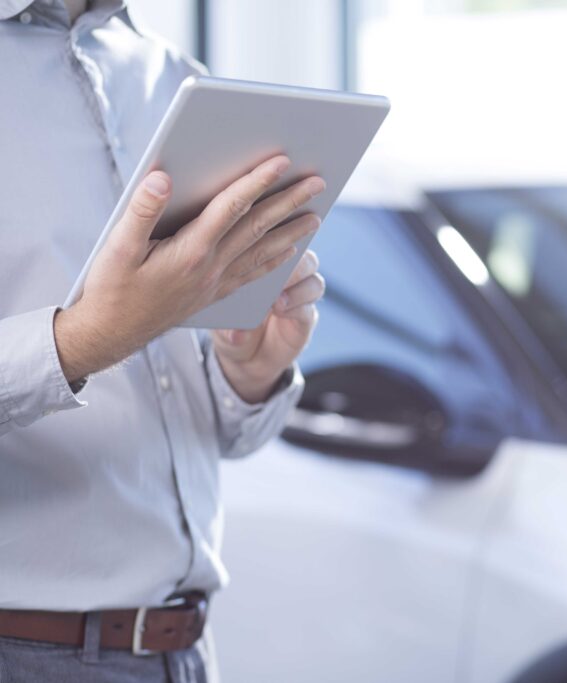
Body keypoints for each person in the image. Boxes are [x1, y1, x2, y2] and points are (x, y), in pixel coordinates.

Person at [0, 0, 328, 680]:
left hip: (184, 650)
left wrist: (248, 372)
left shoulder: (177, 78)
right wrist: (88, 338)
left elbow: (214, 432)